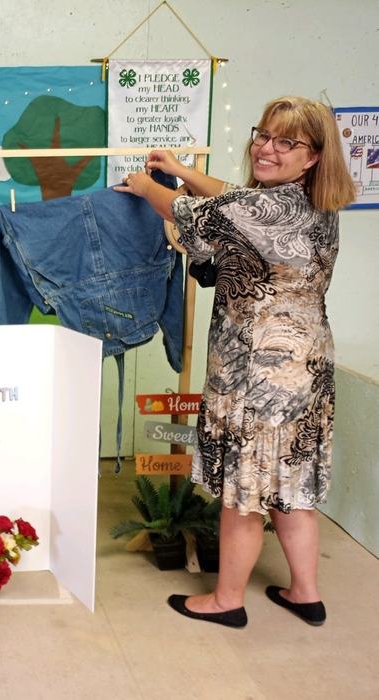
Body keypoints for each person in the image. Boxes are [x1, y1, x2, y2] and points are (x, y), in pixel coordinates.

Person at [115, 96, 356, 628]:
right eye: (263, 134)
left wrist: (145, 183)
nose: (267, 147)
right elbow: (236, 198)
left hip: (258, 372)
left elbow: (185, 211)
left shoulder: (265, 208)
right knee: (288, 483)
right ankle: (305, 592)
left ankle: (226, 601)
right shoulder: (315, 204)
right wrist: (182, 170)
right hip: (307, 367)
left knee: (244, 490)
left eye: (285, 142)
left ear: (312, 156)